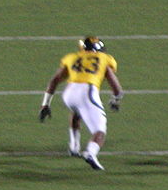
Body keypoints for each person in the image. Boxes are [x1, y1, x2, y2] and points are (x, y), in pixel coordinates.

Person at [39, 36, 123, 170]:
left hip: (69, 94)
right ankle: (90, 153)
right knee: (100, 130)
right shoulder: (105, 59)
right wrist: (115, 99)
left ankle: (74, 146)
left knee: (77, 111)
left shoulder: (71, 57)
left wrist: (45, 104)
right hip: (87, 91)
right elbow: (116, 88)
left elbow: (54, 81)